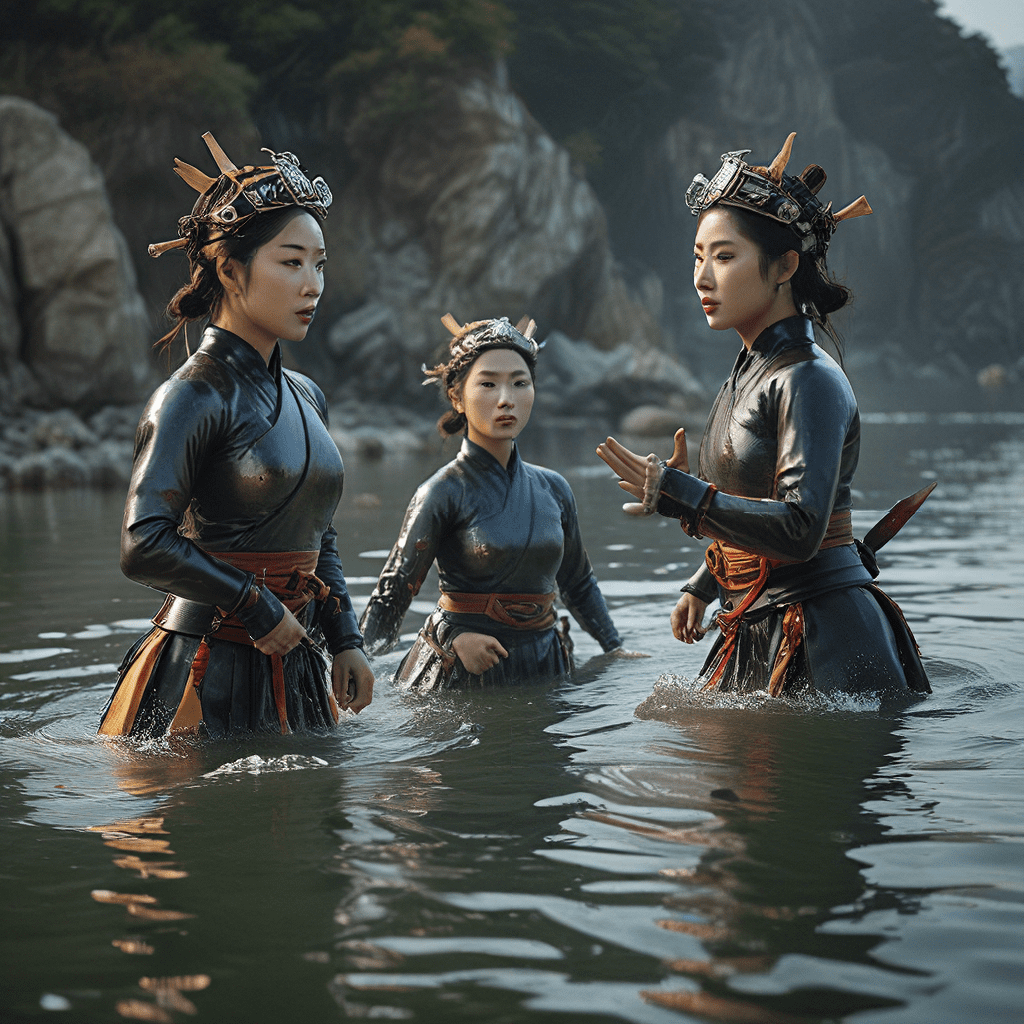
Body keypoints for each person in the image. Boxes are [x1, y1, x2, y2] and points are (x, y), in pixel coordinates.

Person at [597, 133, 930, 699]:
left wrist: (684, 496)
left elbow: (801, 529)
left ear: (784, 266)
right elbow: (754, 497)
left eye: (724, 257)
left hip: (825, 636)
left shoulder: (808, 379)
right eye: (698, 257)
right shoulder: (750, 369)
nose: (702, 277)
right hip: (760, 621)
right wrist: (706, 581)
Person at [98, 133, 373, 738]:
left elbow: (319, 534)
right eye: (291, 261)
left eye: (320, 264)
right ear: (229, 269)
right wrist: (253, 604)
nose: (313, 285)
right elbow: (143, 542)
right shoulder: (192, 395)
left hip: (296, 654)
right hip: (202, 665)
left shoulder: (308, 395)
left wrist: (346, 638)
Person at [360, 314, 625, 689]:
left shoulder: (554, 489)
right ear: (457, 397)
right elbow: (393, 593)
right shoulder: (442, 492)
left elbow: (578, 582)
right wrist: (353, 669)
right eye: (488, 384)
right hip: (461, 672)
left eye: (520, 383)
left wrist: (614, 648)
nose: (506, 399)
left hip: (545, 664)